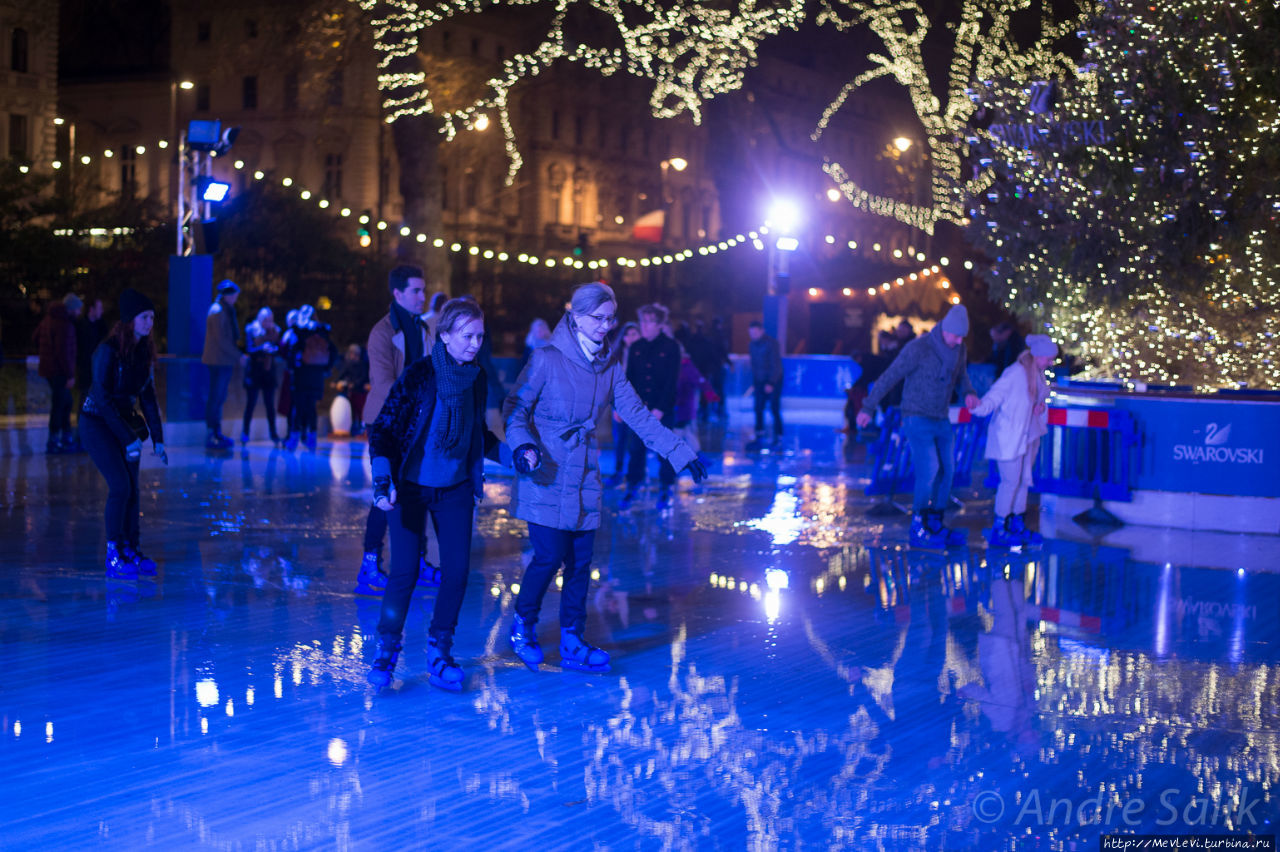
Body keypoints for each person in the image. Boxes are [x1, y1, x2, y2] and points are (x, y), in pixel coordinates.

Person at [504, 282, 706, 673]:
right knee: (548, 558)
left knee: (581, 563)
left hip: (584, 476)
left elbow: (640, 416)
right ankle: (523, 627)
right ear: (576, 316)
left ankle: (572, 640)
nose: (606, 326)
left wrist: (680, 452)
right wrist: (523, 446)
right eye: (599, 318)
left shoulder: (609, 366)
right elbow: (515, 409)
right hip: (544, 470)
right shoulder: (546, 358)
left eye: (611, 318)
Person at [365, 298, 508, 692]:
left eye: (480, 335)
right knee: (405, 571)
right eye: (467, 335)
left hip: (456, 488)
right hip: (410, 488)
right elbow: (383, 432)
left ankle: (439, 650)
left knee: (457, 572)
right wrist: (382, 480)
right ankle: (387, 650)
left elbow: (478, 434)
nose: (475, 343)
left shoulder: (476, 379)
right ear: (444, 336)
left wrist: (517, 455)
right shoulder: (419, 376)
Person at [855, 304, 981, 549]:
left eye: (962, 336)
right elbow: (891, 375)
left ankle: (935, 522)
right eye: (955, 335)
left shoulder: (959, 350)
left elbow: (961, 377)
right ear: (945, 328)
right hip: (915, 416)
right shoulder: (919, 348)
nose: (958, 340)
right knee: (930, 467)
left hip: (941, 417)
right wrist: (868, 407)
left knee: (948, 468)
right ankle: (919, 525)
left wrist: (968, 393)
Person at [79, 288, 168, 579]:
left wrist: (158, 438)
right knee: (120, 486)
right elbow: (102, 399)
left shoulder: (143, 352)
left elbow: (149, 398)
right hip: (97, 422)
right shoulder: (108, 350)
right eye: (144, 317)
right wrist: (129, 438)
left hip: (125, 423)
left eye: (152, 317)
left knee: (132, 488)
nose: (149, 322)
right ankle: (113, 552)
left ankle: (131, 547)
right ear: (130, 320)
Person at [355, 265, 432, 596]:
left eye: (423, 290)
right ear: (397, 293)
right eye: (416, 290)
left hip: (416, 421)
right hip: (386, 422)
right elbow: (384, 381)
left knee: (418, 490)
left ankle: (419, 561)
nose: (422, 296)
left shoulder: (423, 328)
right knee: (385, 492)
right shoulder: (382, 333)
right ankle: (370, 564)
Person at [969, 335, 1057, 547]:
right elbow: (995, 395)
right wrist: (978, 407)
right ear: (1038, 355)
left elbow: (1038, 398)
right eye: (1049, 358)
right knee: (1010, 482)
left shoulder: (1037, 374)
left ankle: (1015, 523)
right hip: (1009, 437)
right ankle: (1000, 526)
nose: (1051, 363)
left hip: (1027, 436)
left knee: (1023, 480)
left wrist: (1039, 406)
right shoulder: (1015, 373)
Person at [621, 304, 683, 511]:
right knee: (635, 449)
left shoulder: (671, 347)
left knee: (664, 450)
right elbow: (628, 380)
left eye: (649, 322)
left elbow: (671, 382)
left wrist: (660, 408)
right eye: (643, 321)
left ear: (659, 325)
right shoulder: (636, 347)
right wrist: (623, 407)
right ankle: (633, 484)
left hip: (661, 409)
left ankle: (666, 486)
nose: (644, 326)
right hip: (639, 410)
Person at [282, 304, 336, 451]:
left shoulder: (299, 330)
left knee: (298, 407)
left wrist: (292, 367)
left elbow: (291, 351)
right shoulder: (322, 330)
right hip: (316, 376)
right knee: (311, 407)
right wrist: (326, 368)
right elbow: (333, 351)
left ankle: (294, 438)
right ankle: (311, 437)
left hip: (301, 375)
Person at [34, 294, 80, 454]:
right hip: (59, 372)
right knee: (61, 405)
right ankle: (57, 440)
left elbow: (35, 338)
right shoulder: (65, 325)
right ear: (72, 309)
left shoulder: (48, 320)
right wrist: (70, 375)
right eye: (78, 308)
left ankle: (62, 439)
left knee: (64, 403)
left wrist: (45, 354)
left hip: (49, 370)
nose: (80, 312)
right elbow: (64, 352)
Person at [201, 280, 242, 449]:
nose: (236, 299)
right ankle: (212, 433)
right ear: (228, 295)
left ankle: (215, 432)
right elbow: (221, 340)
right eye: (234, 295)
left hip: (222, 360)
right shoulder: (218, 311)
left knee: (218, 398)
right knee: (216, 398)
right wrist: (238, 355)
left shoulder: (222, 310)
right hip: (219, 361)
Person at [606, 321, 641, 486]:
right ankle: (618, 472)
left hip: (639, 406)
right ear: (624, 337)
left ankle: (635, 475)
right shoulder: (616, 356)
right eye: (629, 334)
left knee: (636, 442)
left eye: (635, 334)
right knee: (620, 440)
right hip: (620, 406)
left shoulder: (644, 354)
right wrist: (615, 408)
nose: (632, 337)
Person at [242, 307, 282, 445]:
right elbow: (249, 349)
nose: (268, 322)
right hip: (254, 372)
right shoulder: (251, 330)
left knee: (270, 404)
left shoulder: (275, 331)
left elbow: (280, 349)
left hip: (268, 372)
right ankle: (245, 432)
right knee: (251, 404)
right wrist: (262, 348)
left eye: (270, 320)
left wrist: (274, 349)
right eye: (265, 320)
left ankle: (274, 433)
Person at [73, 296, 108, 450]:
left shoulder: (99, 327)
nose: (102, 311)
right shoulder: (81, 326)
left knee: (94, 407)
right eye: (99, 308)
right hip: (87, 373)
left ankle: (90, 437)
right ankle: (82, 438)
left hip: (96, 374)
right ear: (92, 309)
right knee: (84, 405)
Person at [747, 320, 783, 450]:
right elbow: (755, 366)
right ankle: (759, 436)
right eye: (751, 333)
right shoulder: (751, 345)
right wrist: (756, 383)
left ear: (762, 331)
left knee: (774, 409)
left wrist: (771, 383)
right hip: (759, 382)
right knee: (758, 408)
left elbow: (776, 365)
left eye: (755, 332)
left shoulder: (771, 344)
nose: (753, 335)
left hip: (773, 381)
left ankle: (778, 437)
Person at [333, 344, 371, 435]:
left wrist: (355, 384)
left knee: (361, 411)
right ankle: (353, 428)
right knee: (352, 411)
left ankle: (363, 428)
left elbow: (363, 377)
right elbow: (341, 374)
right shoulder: (348, 364)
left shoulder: (363, 365)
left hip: (360, 391)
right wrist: (336, 382)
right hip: (351, 392)